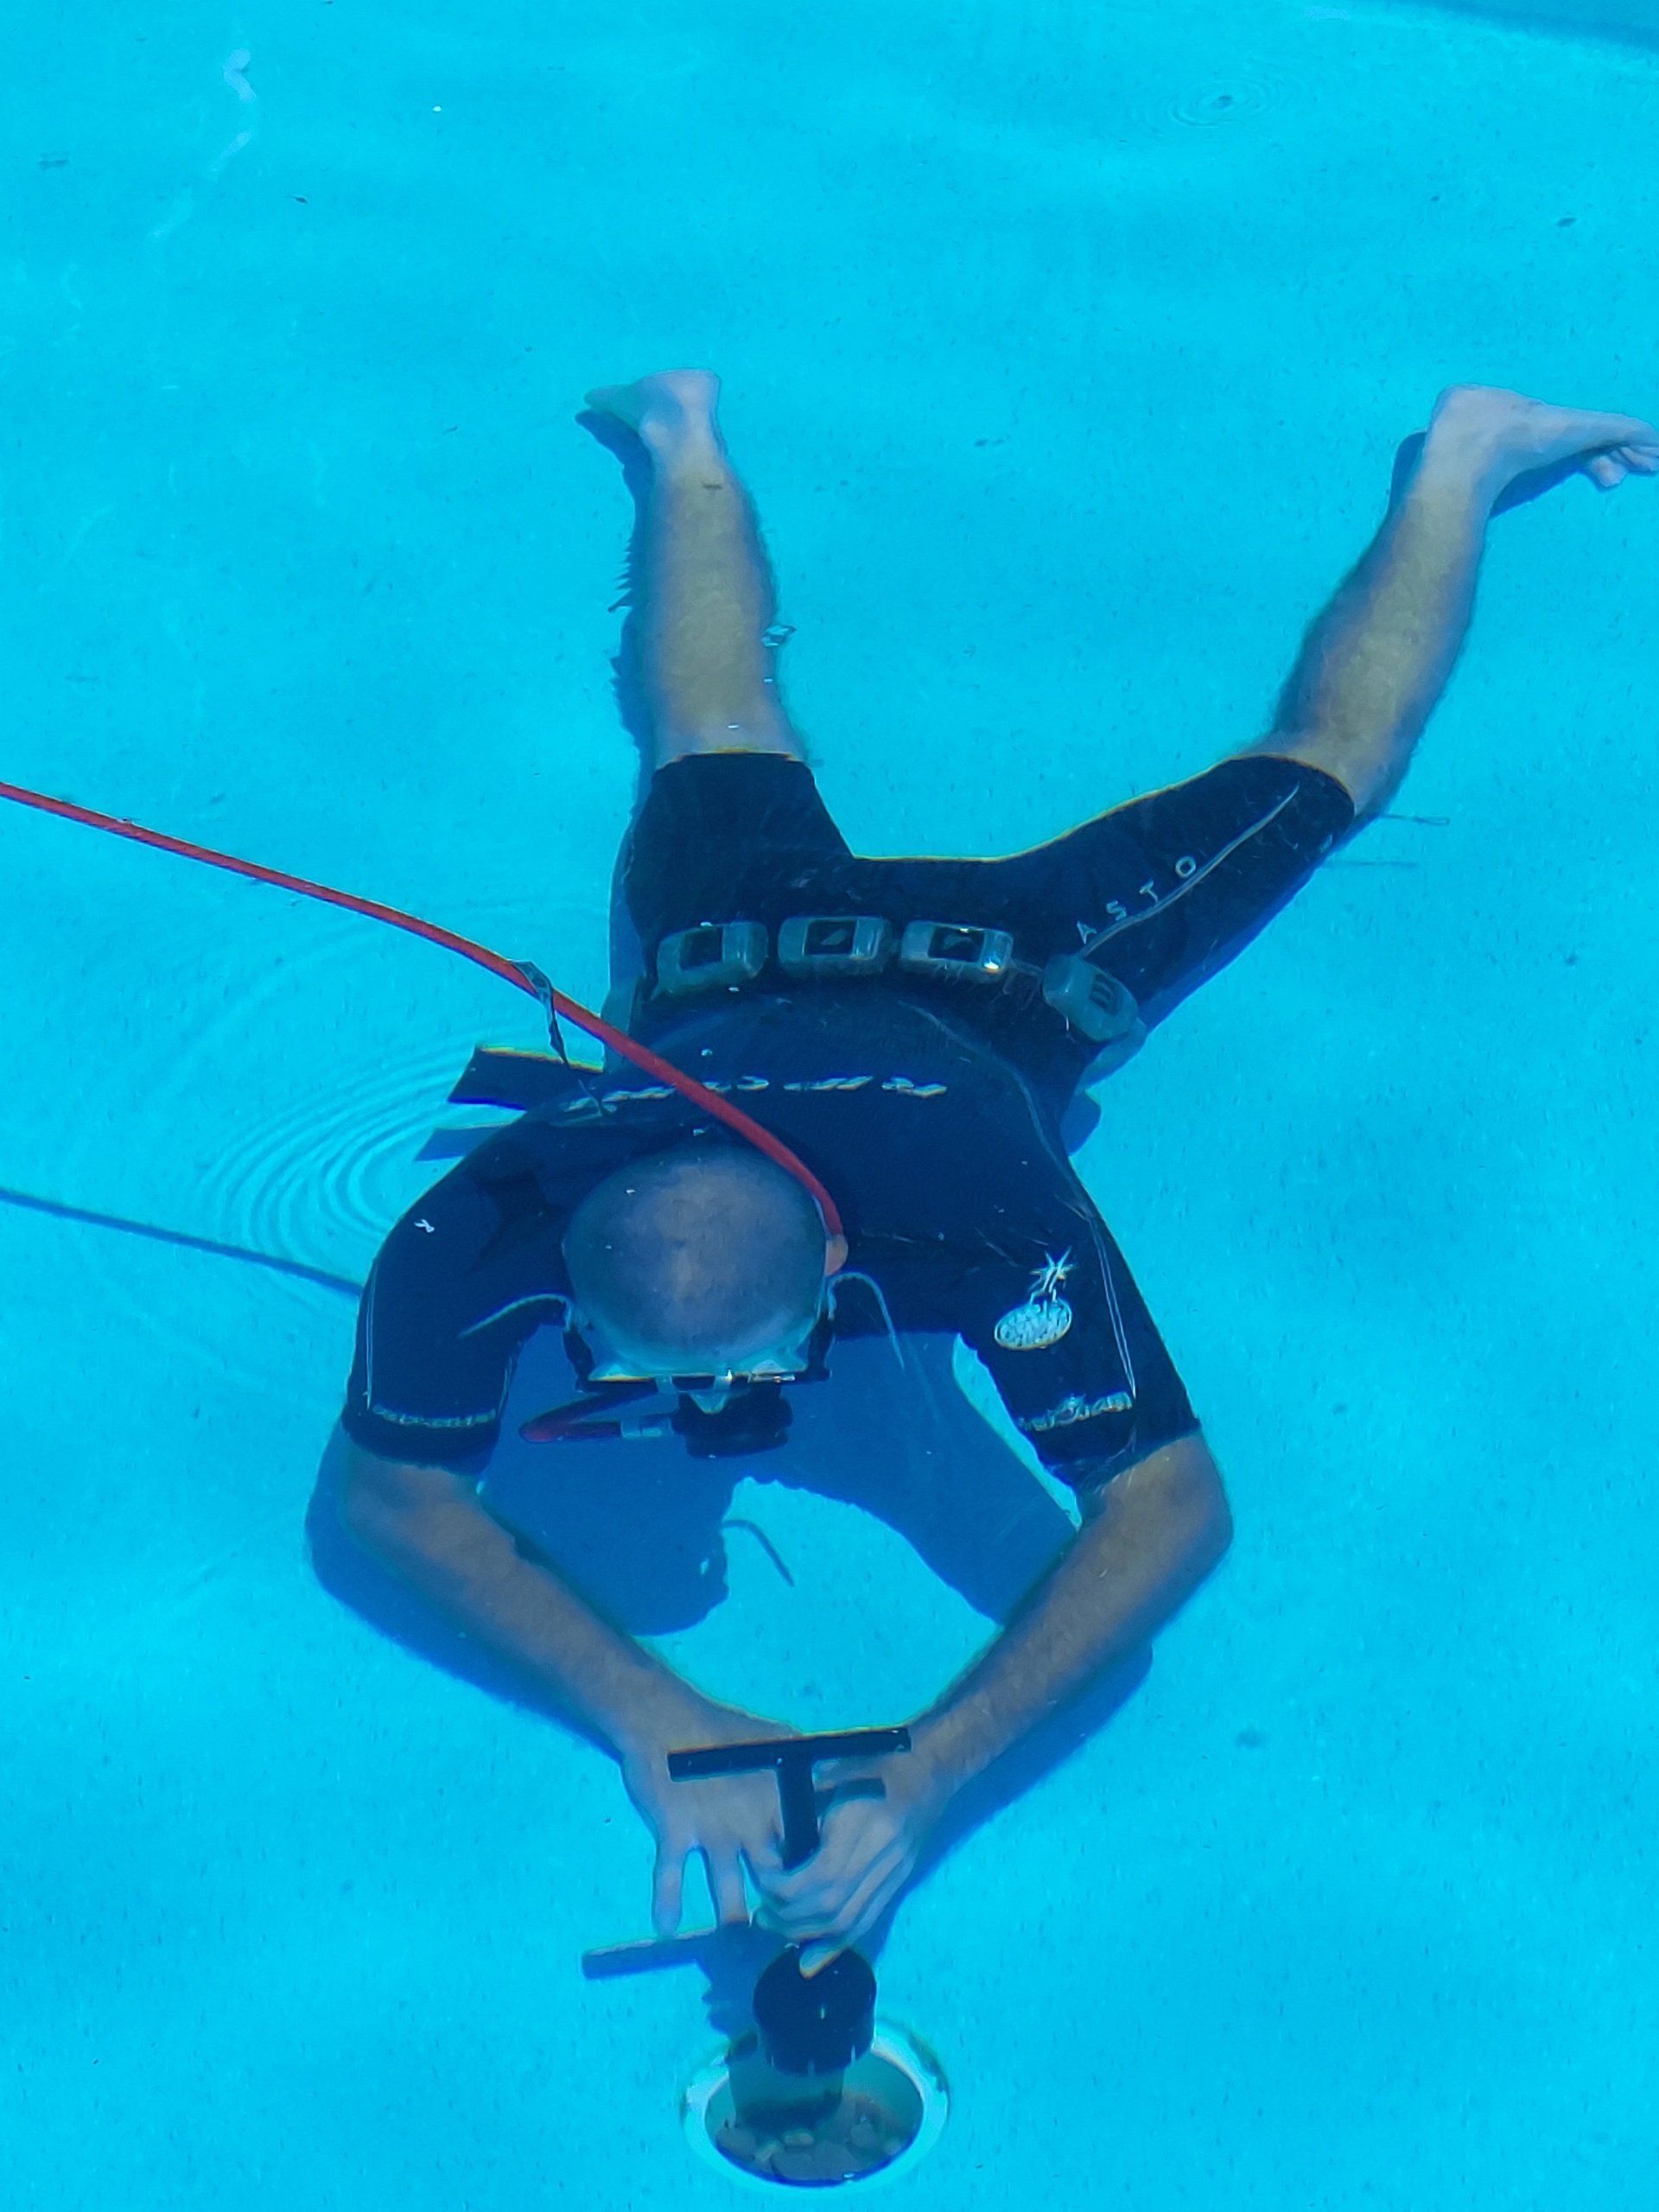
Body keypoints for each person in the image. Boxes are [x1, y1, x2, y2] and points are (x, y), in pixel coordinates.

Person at [329, 370, 1656, 1975]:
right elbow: (384, 1501)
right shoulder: (489, 1219)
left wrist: (933, 1765)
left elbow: (1173, 1511)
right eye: (633, 1369)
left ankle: (1468, 451)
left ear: (844, 1272)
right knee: (724, 727)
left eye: (742, 1377)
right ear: (582, 1215)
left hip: (1021, 977)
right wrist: (652, 1714)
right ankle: (679, 425)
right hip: (729, 953)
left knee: (1326, 769)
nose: (701, 1421)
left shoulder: (981, 1217)